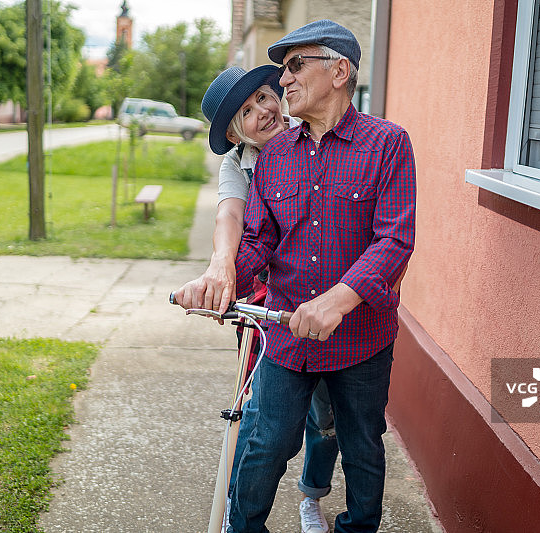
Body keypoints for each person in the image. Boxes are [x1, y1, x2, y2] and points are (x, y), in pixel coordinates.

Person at [179, 19, 416, 533]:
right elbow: (256, 240)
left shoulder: (389, 144)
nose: (283, 80)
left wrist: (336, 302)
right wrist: (219, 281)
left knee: (361, 446)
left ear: (339, 71)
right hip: (286, 336)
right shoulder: (273, 156)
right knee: (265, 443)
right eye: (283, 70)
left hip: (361, 337)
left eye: (294, 66)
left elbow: (394, 241)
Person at [175, 65, 339, 533]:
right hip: (269, 296)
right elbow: (229, 215)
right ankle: (239, 511)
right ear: (234, 135)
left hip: (327, 296)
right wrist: (220, 266)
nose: (263, 111)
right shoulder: (239, 165)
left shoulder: (315, 132)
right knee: (256, 410)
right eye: (246, 112)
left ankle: (312, 495)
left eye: (264, 97)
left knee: (326, 416)